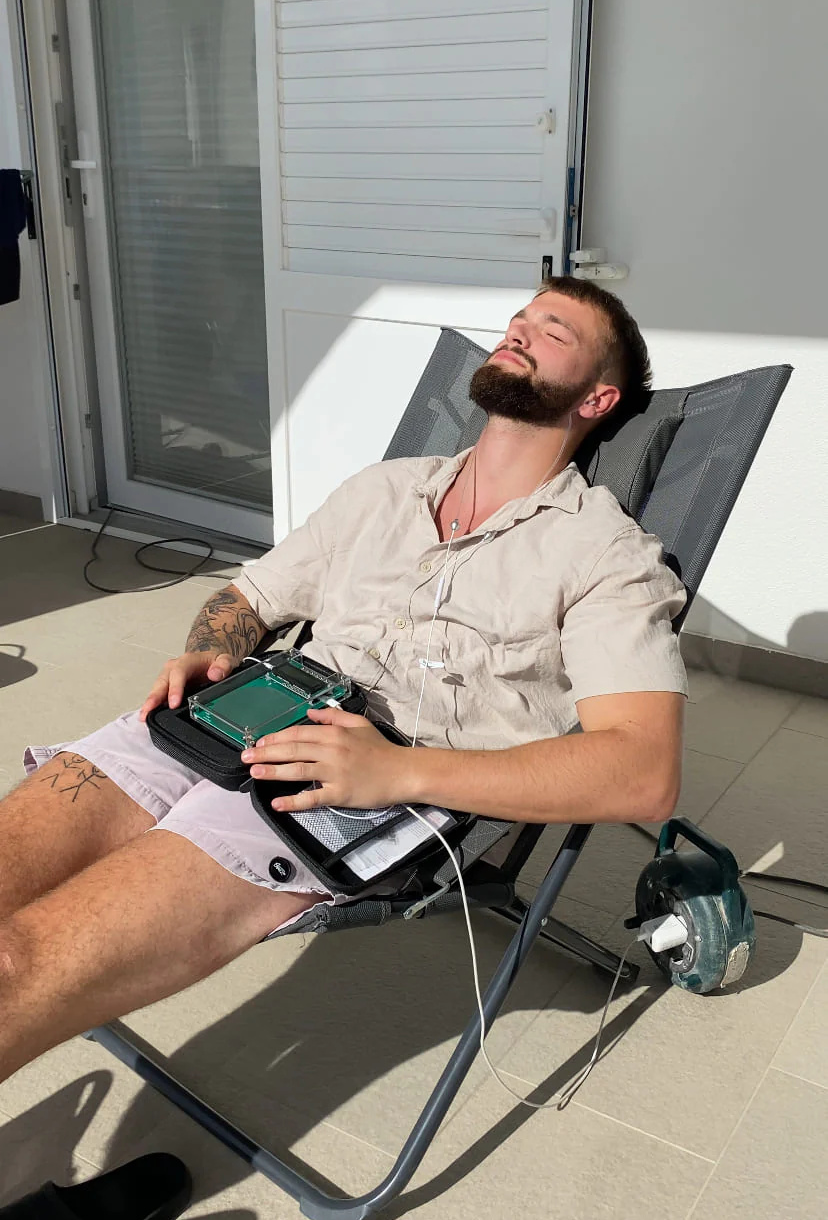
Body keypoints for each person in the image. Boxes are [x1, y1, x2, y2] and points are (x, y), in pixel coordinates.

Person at [0, 277, 686, 1085]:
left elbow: (643, 771)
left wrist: (399, 771)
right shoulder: (384, 489)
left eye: (554, 331)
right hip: (239, 711)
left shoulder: (607, 554)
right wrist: (210, 656)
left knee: (15, 967)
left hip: (362, 788)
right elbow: (244, 601)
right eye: (521, 318)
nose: (521, 330)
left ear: (598, 398)